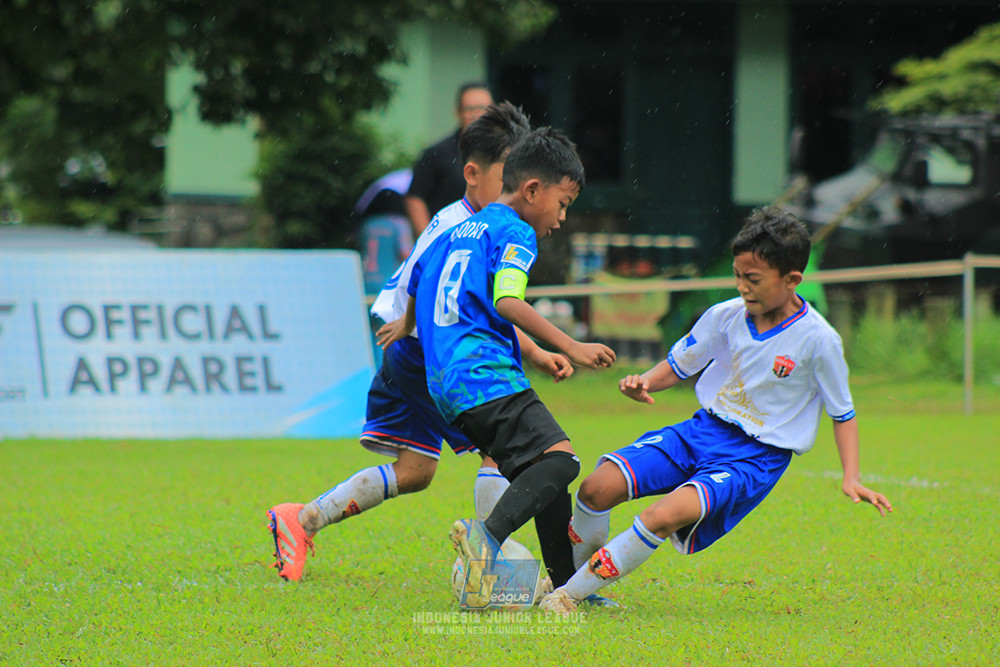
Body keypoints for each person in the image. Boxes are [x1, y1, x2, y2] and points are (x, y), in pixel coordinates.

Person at [539, 206, 894, 614]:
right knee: (596, 487)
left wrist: (852, 477)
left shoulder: (819, 341)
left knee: (662, 515)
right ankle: (570, 578)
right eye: (738, 275)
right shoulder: (725, 316)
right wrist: (646, 382)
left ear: (793, 279)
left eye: (754, 279)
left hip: (755, 458)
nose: (743, 287)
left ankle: (569, 596)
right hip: (703, 430)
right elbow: (680, 364)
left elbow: (842, 412)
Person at [266, 102, 557, 583]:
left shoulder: (474, 224)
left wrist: (534, 351)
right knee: (501, 447)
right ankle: (490, 561)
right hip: (432, 355)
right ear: (473, 173)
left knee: (417, 470)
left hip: (412, 351)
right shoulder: (459, 225)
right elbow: (444, 299)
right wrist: (410, 323)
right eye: (510, 174)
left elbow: (474, 302)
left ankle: (301, 519)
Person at [377, 127, 617, 601]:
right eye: (563, 203)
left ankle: (568, 590)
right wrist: (572, 346)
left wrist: (407, 325)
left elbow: (420, 276)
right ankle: (486, 540)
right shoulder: (515, 230)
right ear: (532, 190)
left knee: (543, 470)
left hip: (447, 385)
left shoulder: (459, 228)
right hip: (486, 375)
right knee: (562, 462)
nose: (562, 218)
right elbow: (508, 300)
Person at [404, 82, 493, 236]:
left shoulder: (504, 153)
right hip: (448, 242)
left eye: (483, 108)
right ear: (458, 112)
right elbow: (415, 198)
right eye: (470, 109)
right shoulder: (437, 153)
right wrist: (429, 242)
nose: (477, 115)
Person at [357, 188, 414, 366]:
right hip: (387, 288)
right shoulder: (399, 224)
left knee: (370, 334)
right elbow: (407, 254)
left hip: (366, 285)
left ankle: (370, 370)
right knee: (389, 335)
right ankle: (385, 376)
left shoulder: (368, 225)